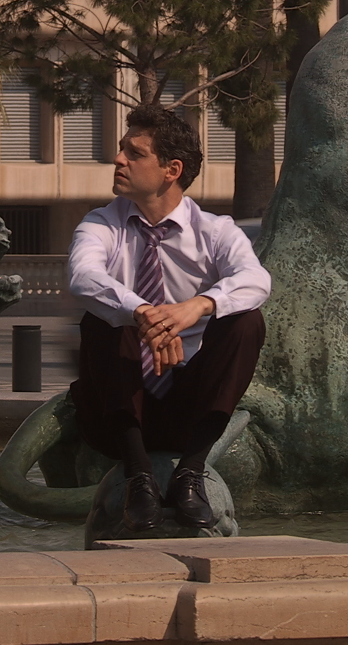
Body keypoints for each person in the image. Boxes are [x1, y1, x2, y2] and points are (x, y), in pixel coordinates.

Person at [67, 105, 270, 532]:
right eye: (121, 149)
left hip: (189, 407)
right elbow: (83, 276)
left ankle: (191, 472)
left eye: (134, 153)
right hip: (116, 408)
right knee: (105, 317)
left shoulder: (216, 231)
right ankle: (138, 477)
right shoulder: (100, 224)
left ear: (171, 170)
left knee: (246, 320)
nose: (118, 159)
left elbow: (256, 280)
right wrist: (142, 314)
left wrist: (196, 306)